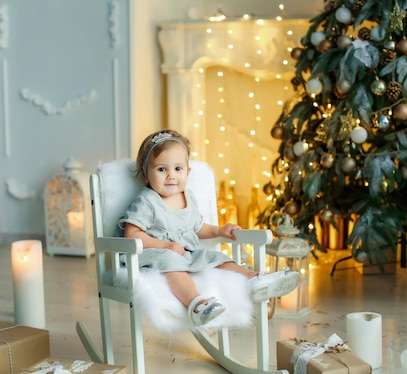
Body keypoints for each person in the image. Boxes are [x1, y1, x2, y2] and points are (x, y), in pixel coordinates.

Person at [118, 129, 299, 326]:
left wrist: (219, 231)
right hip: (153, 255)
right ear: (146, 174)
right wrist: (164, 246)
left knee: (215, 257)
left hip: (185, 254)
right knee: (171, 263)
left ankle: (255, 278)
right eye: (162, 169)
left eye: (178, 169)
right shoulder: (147, 201)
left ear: (188, 172)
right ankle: (197, 304)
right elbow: (131, 234)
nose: (171, 176)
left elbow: (196, 227)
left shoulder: (188, 198)